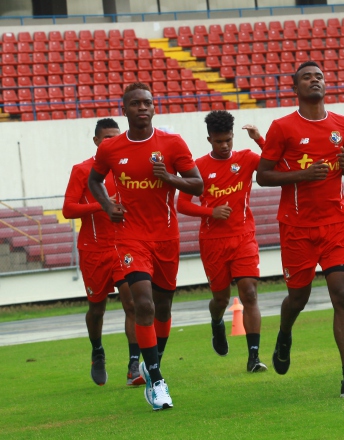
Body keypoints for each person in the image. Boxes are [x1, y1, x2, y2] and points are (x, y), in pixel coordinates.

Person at [256, 61, 344, 397]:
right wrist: (301, 175)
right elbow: (263, 176)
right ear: (295, 87)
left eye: (319, 76)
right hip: (296, 228)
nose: (314, 80)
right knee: (298, 297)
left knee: (342, 294)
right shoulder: (282, 127)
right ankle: (284, 333)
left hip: (336, 223)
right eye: (307, 77)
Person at [88, 82, 203, 410]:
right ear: (124, 109)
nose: (142, 107)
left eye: (147, 103)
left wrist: (169, 178)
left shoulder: (172, 143)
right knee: (144, 305)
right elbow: (94, 180)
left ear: (154, 108)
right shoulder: (111, 149)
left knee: (164, 307)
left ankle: (154, 362)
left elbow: (198, 184)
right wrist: (108, 206)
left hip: (166, 237)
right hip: (130, 237)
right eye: (135, 103)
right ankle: (156, 378)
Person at [176, 111, 267, 373]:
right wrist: (210, 212)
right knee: (221, 298)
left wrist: (259, 138)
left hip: (244, 237)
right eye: (219, 141)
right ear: (209, 139)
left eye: (228, 140)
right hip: (213, 241)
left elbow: (277, 164)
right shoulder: (198, 167)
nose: (225, 145)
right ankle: (217, 322)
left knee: (249, 293)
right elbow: (181, 204)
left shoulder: (247, 159)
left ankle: (253, 356)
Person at [62, 118, 144, 387]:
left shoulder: (126, 168)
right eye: (107, 137)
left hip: (124, 247)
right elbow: (69, 209)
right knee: (97, 309)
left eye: (116, 137)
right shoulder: (82, 170)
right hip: (93, 251)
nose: (112, 141)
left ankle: (134, 365)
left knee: (132, 305)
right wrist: (101, 206)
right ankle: (97, 352)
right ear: (96, 141)